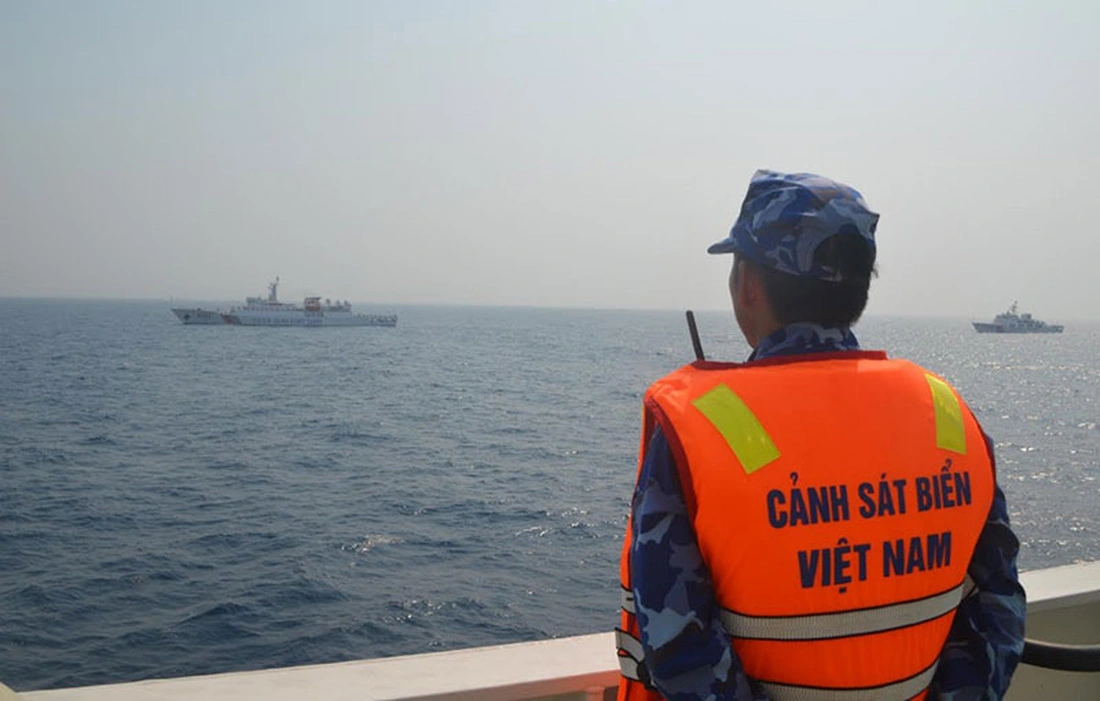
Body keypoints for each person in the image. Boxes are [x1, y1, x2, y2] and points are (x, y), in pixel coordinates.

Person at [615, 170, 1026, 701]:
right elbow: (999, 607)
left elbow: (678, 644)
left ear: (748, 286)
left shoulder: (698, 426)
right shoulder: (948, 413)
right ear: (859, 288)